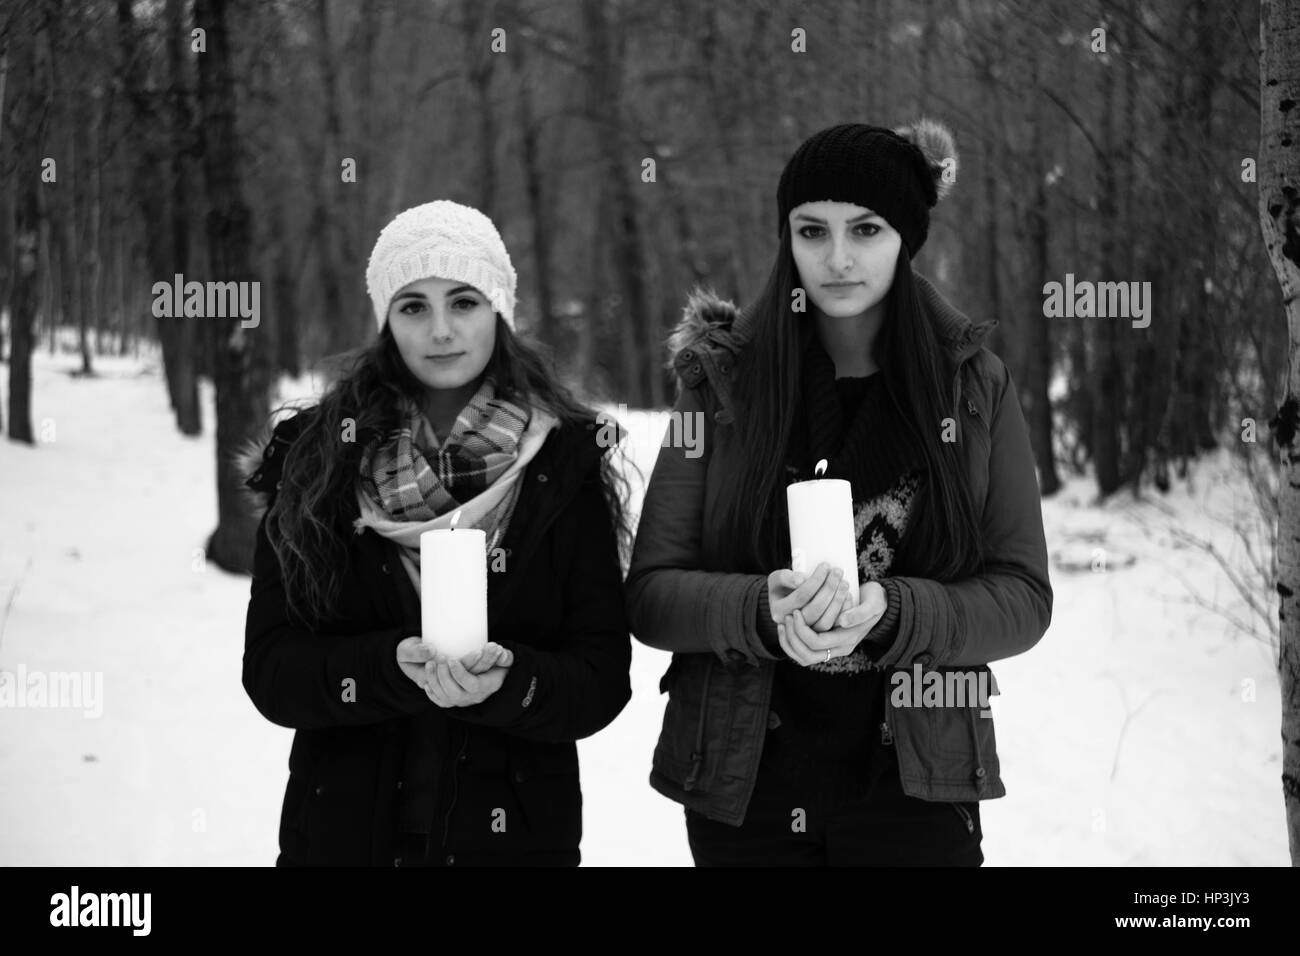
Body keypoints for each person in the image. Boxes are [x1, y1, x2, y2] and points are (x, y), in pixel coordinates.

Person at [626, 120, 1053, 866]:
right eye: (811, 230)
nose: (838, 257)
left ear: (906, 238)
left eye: (867, 229)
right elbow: (654, 592)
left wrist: (896, 610)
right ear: (786, 237)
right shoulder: (720, 384)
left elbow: (1023, 598)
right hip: (745, 786)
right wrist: (759, 609)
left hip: (917, 784)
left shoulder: (973, 386)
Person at [240, 200, 632, 867]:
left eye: (465, 302)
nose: (441, 330)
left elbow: (599, 679)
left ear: (499, 311)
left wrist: (511, 684)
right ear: (385, 321)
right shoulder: (316, 458)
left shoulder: (563, 462)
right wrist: (385, 668)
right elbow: (273, 670)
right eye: (413, 305)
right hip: (340, 840)